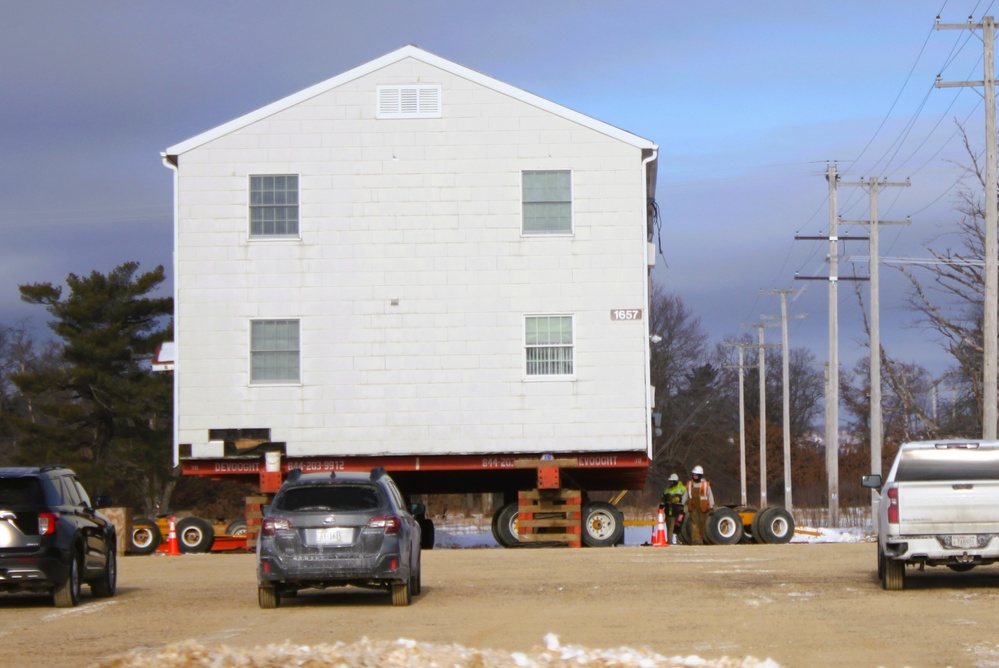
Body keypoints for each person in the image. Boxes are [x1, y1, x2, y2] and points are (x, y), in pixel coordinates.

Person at [681, 465, 715, 545]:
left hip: (703, 508)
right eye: (694, 475)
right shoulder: (689, 484)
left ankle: (701, 539)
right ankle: (695, 540)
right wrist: (681, 504)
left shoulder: (705, 485)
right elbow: (685, 495)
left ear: (700, 475)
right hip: (693, 507)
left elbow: (710, 495)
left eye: (696, 475)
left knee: (701, 524)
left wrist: (711, 506)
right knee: (694, 523)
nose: (695, 476)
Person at [658, 473, 686, 544]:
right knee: (670, 527)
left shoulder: (682, 488)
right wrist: (661, 507)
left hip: (679, 511)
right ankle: (669, 541)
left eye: (672, 481)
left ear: (676, 481)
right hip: (669, 511)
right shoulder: (667, 489)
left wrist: (681, 504)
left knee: (679, 526)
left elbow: (687, 498)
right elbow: (663, 499)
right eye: (670, 481)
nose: (671, 482)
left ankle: (679, 541)